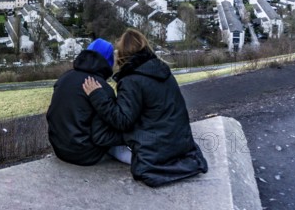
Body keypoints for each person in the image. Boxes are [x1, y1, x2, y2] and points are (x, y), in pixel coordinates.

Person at [82, 29, 208, 187]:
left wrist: (97, 95)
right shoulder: (162, 70)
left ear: (122, 55)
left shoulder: (131, 81)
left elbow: (122, 121)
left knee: (103, 142)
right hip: (181, 146)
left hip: (155, 154)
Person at [46, 38, 124, 166]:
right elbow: (102, 136)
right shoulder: (102, 88)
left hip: (59, 149)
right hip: (86, 154)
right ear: (108, 62)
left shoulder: (64, 78)